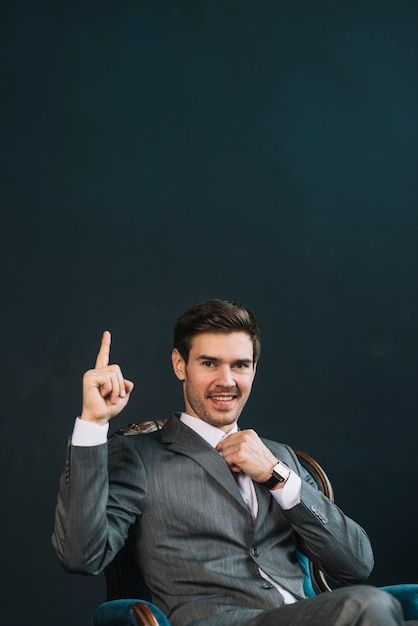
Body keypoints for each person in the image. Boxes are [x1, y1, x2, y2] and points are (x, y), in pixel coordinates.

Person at [52, 299, 415, 626]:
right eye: (210, 363)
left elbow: (355, 565)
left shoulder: (280, 457)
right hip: (218, 619)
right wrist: (93, 424)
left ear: (254, 369)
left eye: (240, 365)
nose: (226, 381)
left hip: (310, 614)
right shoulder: (139, 455)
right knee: (364, 604)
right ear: (180, 364)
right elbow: (82, 556)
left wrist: (277, 476)